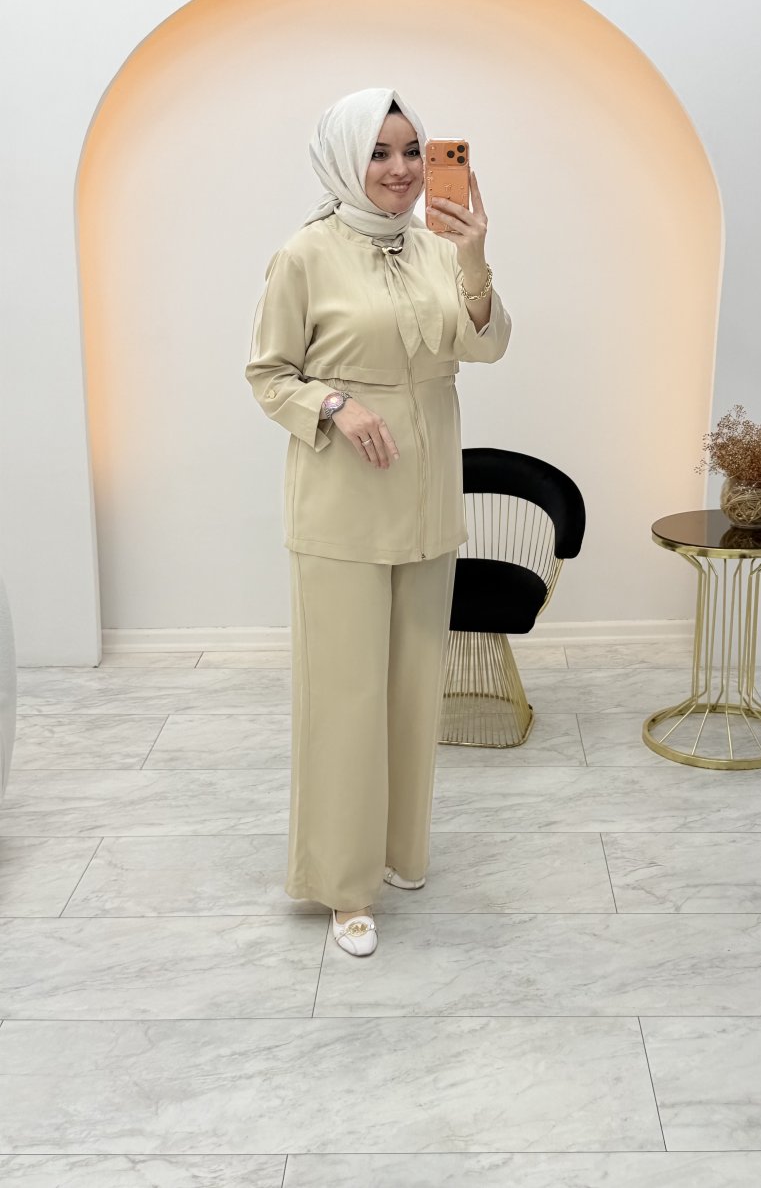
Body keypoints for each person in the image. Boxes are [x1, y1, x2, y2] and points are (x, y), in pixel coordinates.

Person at [245, 88, 511, 957]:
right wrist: (334, 403)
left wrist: (475, 256)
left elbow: (485, 344)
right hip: (343, 505)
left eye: (412, 151)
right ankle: (344, 885)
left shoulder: (436, 246)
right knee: (346, 697)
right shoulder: (304, 255)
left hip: (428, 500)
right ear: (344, 157)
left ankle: (399, 850)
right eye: (380, 151)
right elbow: (268, 372)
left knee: (410, 687)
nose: (400, 170)